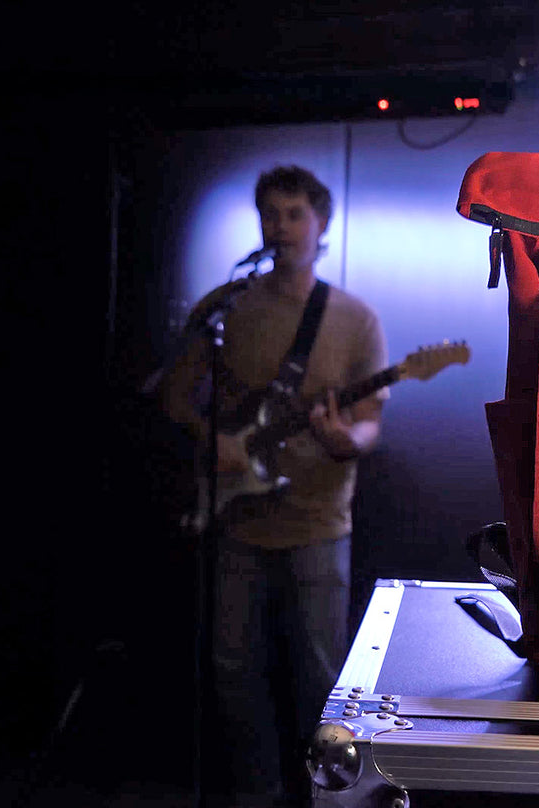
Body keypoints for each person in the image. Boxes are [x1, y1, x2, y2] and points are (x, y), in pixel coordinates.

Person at [159, 165, 387, 807]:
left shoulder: (354, 318)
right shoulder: (228, 308)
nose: (280, 226)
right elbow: (176, 397)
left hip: (318, 520)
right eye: (270, 214)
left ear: (321, 227)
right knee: (232, 676)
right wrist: (217, 443)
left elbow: (372, 423)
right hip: (236, 522)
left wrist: (347, 441)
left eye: (293, 214)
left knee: (324, 681)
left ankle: (325, 800)